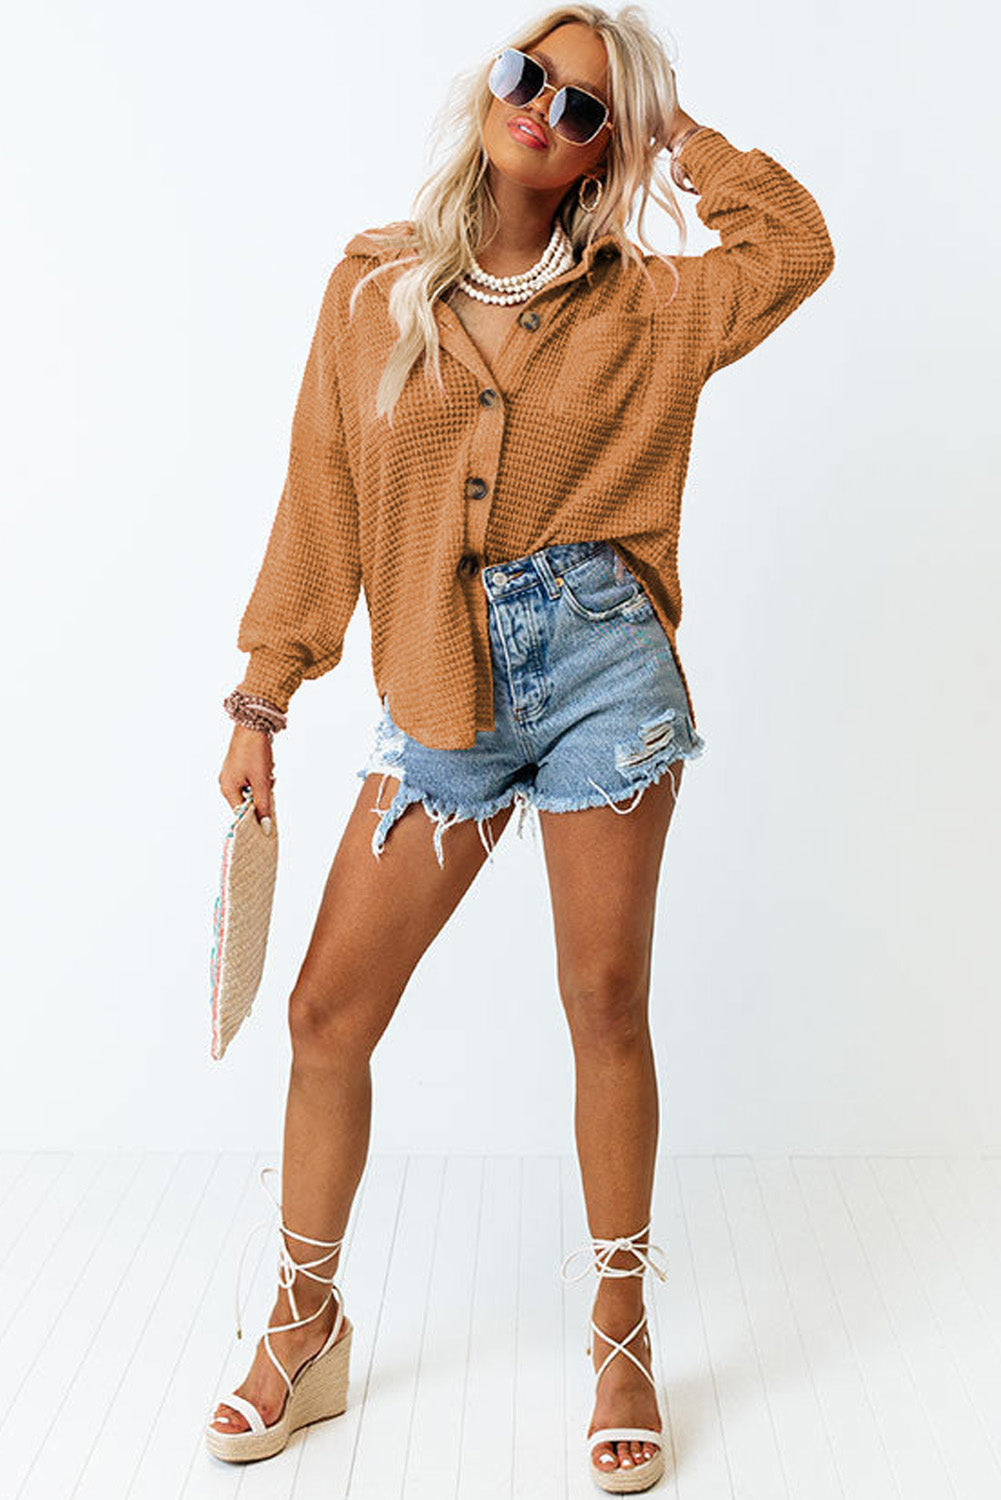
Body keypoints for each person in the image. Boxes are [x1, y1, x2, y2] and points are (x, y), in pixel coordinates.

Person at [206, 4, 834, 1490]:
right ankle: (305, 1319)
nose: (542, 107)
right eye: (526, 74)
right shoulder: (372, 288)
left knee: (602, 999)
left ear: (608, 149)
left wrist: (683, 142)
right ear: (490, 85)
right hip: (442, 683)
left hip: (607, 674)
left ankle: (621, 1328)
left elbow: (794, 246)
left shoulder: (654, 304)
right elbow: (320, 495)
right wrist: (263, 694)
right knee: (325, 1014)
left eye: (585, 107)